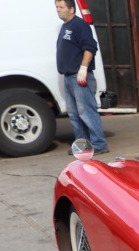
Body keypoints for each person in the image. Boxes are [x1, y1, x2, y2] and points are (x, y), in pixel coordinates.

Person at [55, 0, 108, 154]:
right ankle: (83, 145)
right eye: (57, 7)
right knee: (74, 114)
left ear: (72, 9)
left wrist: (83, 68)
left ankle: (99, 144)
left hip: (79, 77)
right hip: (69, 77)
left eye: (61, 7)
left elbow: (90, 47)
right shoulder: (65, 26)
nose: (58, 10)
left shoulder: (80, 25)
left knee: (87, 111)